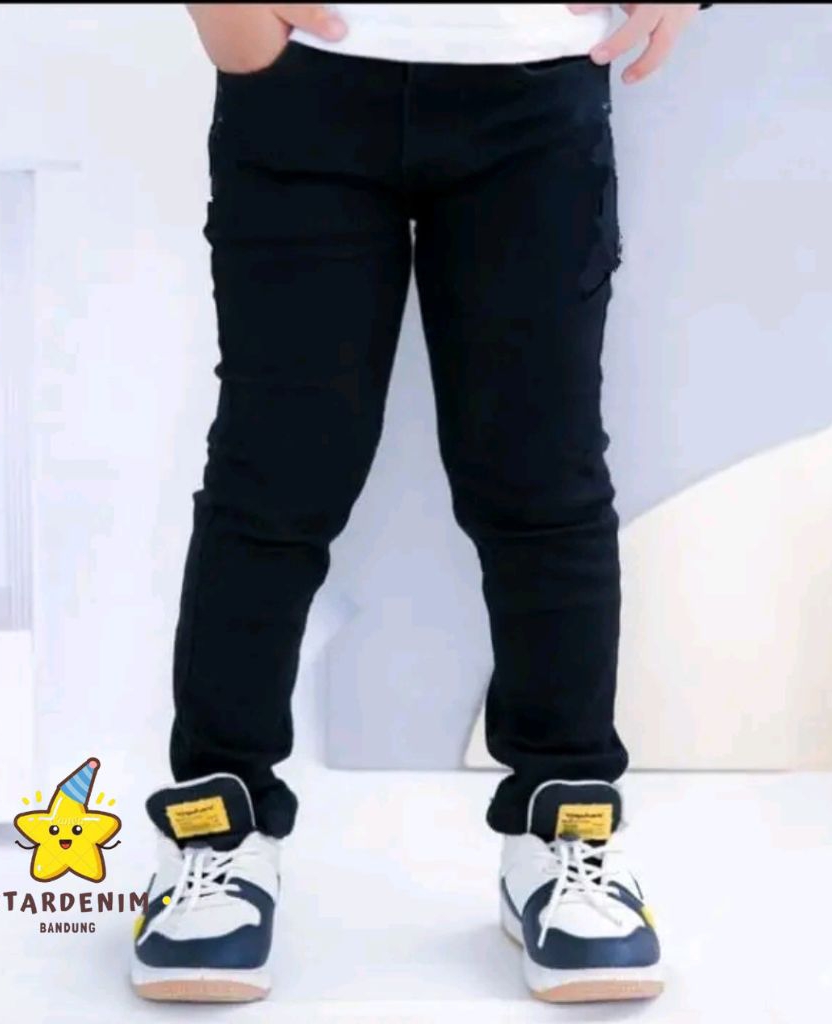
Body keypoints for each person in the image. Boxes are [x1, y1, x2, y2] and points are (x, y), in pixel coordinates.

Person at [130, 2, 704, 1006]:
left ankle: (562, 829)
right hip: (305, 79)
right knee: (275, 477)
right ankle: (216, 830)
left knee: (542, 478)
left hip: (534, 87)